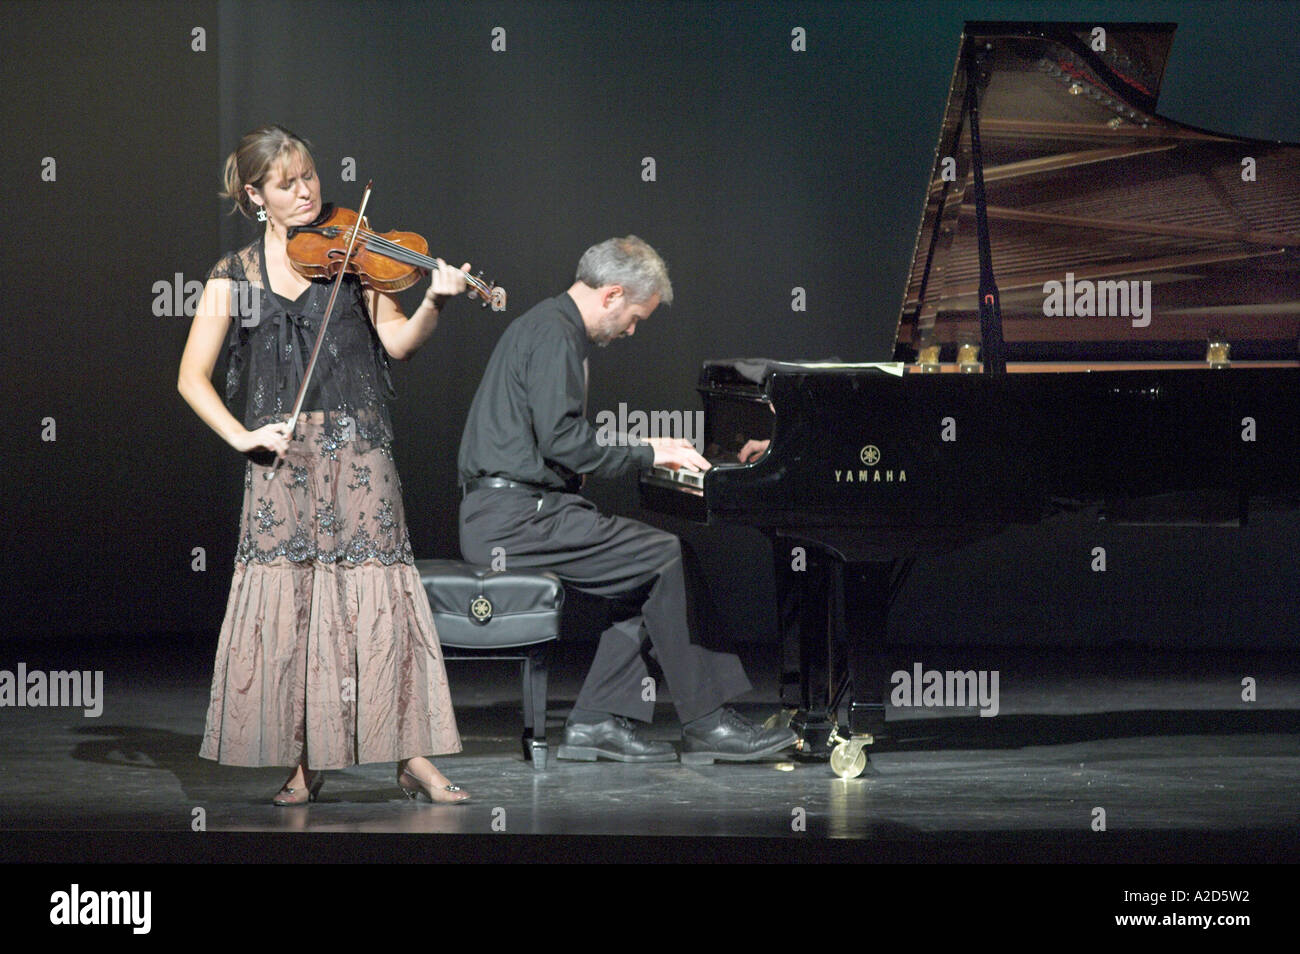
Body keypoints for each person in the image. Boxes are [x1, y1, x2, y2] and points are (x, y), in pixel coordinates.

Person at [178, 125, 469, 804]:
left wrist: (436, 302)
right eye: (288, 183)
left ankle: (410, 754)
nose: (307, 191)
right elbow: (192, 377)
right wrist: (242, 436)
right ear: (256, 195)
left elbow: (397, 342)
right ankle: (306, 761)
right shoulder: (234, 276)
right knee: (299, 612)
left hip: (361, 458)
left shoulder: (355, 256)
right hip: (283, 466)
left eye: (310, 176)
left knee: (381, 605)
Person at [457, 236, 797, 763]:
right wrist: (650, 452)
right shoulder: (554, 334)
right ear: (612, 294)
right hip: (512, 520)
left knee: (649, 574)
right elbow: (565, 441)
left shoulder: (547, 326)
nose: (633, 330)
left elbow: (549, 444)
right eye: (636, 317)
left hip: (518, 512)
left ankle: (595, 722)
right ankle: (708, 724)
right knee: (665, 557)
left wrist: (580, 472)